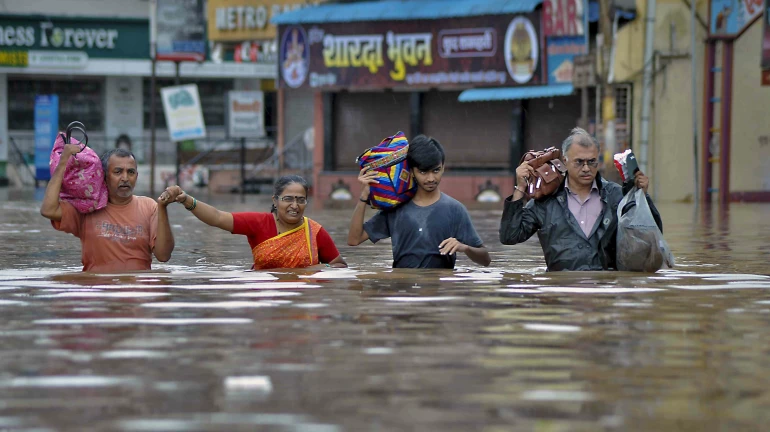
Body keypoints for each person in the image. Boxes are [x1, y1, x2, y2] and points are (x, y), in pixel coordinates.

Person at [499, 127, 663, 271]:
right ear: (565, 161)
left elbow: (652, 236)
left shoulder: (616, 196)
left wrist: (642, 197)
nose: (586, 168)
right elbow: (510, 236)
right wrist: (520, 188)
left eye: (591, 162)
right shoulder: (546, 201)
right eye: (579, 162)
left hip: (606, 287)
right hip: (561, 289)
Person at [347, 135, 491, 269]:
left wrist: (464, 248)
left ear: (443, 167)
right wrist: (364, 195)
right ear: (411, 171)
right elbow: (354, 240)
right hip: (403, 285)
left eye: (436, 170)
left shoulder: (455, 210)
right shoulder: (396, 207)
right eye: (423, 172)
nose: (431, 178)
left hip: (440, 286)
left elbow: (486, 260)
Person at [160, 175, 347, 270]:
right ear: (275, 201)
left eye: (301, 200)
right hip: (265, 297)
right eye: (288, 199)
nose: (294, 206)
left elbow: (340, 266)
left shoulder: (314, 231)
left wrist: (319, 269)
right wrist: (186, 200)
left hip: (304, 302)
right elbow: (217, 217)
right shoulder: (259, 223)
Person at [40, 147, 175, 272]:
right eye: (118, 172)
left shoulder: (149, 207)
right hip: (97, 288)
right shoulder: (88, 208)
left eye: (130, 172)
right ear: (103, 176)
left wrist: (162, 207)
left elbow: (163, 256)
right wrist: (63, 162)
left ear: (136, 176)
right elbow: (48, 210)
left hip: (138, 288)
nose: (125, 178)